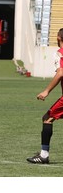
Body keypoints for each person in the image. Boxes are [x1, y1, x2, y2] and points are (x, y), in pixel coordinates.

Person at [27, 28, 63, 164]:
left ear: (58, 37)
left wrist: (46, 91)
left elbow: (60, 73)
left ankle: (43, 155)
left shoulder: (60, 54)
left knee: (47, 118)